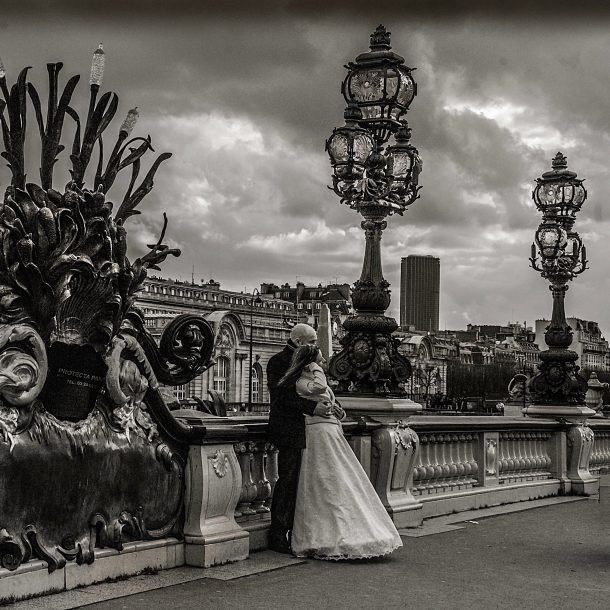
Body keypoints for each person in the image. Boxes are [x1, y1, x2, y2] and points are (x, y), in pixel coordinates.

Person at [282, 344, 403, 560]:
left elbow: (327, 397)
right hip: (317, 434)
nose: (324, 365)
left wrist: (339, 410)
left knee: (340, 482)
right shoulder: (303, 382)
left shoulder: (310, 380)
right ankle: (325, 536)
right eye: (320, 361)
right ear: (308, 363)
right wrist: (315, 367)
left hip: (330, 432)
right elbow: (319, 388)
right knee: (323, 485)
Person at [266, 323, 338, 554]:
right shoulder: (278, 361)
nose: (316, 346)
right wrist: (312, 408)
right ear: (298, 342)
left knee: (308, 482)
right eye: (312, 342)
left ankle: (300, 531)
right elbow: (281, 398)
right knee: (288, 480)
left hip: (311, 430)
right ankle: (279, 533)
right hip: (291, 429)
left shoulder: (309, 362)